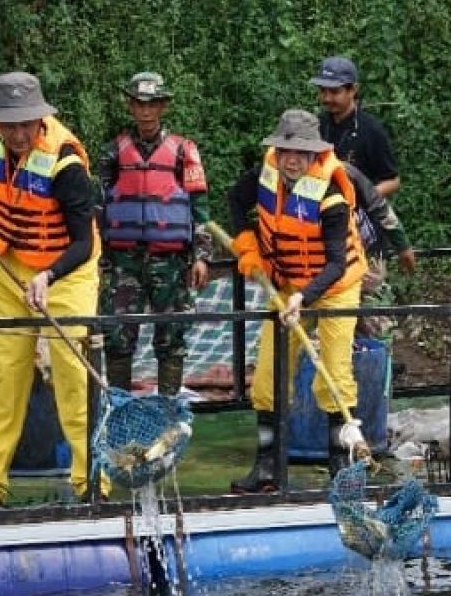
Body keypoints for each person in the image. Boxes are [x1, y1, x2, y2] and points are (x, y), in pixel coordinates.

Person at [0, 72, 102, 509]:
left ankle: (90, 480)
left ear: (41, 119)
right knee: (6, 373)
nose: (19, 133)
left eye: (27, 123)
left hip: (68, 268)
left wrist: (49, 277)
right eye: (11, 124)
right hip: (6, 262)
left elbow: (83, 243)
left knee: (71, 373)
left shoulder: (66, 165)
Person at [227, 109, 366, 491]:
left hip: (334, 286)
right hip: (286, 282)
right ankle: (268, 467)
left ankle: (342, 469)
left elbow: (337, 263)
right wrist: (248, 244)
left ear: (314, 155)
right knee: (268, 379)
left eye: (301, 152)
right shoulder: (264, 175)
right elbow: (235, 202)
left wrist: (305, 297)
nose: (291, 159)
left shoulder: (332, 195)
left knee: (334, 375)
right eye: (285, 149)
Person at [95, 72, 210, 396]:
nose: (145, 112)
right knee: (117, 335)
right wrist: (96, 256)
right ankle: (118, 405)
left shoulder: (183, 151)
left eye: (152, 105)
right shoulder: (112, 152)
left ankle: (169, 407)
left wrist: (201, 256)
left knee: (172, 335)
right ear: (130, 107)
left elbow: (199, 207)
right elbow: (99, 208)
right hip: (122, 259)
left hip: (171, 259)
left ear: (163, 107)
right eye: (139, 104)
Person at [344, 161, 416, 342]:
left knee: (376, 325)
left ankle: (380, 360)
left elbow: (380, 207)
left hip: (367, 256)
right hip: (322, 268)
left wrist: (403, 246)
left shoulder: (345, 171)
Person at [311, 56, 401, 197]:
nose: (327, 98)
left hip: (357, 212)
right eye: (323, 91)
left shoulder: (371, 130)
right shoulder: (316, 125)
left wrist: (363, 199)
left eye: (334, 92)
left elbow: (393, 181)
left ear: (353, 90)